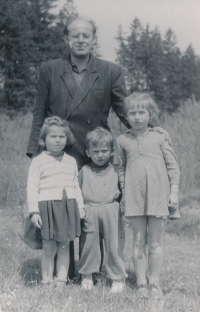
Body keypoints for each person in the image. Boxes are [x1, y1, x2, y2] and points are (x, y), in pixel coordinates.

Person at [26, 16, 129, 279]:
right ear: (66, 39)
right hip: (59, 152)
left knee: (91, 213)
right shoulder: (50, 69)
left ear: (94, 39)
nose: (81, 40)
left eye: (86, 35)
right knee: (61, 210)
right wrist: (35, 152)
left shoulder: (110, 71)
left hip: (96, 154)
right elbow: (39, 114)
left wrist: (148, 137)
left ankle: (91, 272)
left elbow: (125, 112)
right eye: (75, 35)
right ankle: (66, 272)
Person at [116, 93, 180, 299]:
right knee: (137, 241)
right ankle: (141, 283)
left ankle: (155, 283)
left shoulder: (161, 136)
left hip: (158, 196)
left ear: (150, 114)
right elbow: (121, 169)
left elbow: (173, 167)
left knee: (155, 242)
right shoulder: (122, 140)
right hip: (134, 197)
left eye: (141, 112)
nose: (137, 117)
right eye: (132, 113)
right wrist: (124, 193)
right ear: (126, 116)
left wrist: (174, 191)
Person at [27, 116, 85, 286]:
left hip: (68, 207)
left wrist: (80, 207)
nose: (58, 140)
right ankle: (46, 281)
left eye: (62, 136)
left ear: (67, 139)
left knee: (65, 246)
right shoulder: (38, 162)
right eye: (53, 136)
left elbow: (75, 186)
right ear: (44, 140)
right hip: (48, 209)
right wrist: (34, 211)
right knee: (49, 247)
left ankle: (61, 280)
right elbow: (31, 187)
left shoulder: (71, 161)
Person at [78, 127, 126, 293]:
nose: (100, 155)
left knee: (114, 245)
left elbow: (125, 190)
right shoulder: (84, 171)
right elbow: (76, 192)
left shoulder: (116, 169)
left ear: (112, 152)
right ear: (88, 152)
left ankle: (117, 277)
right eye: (95, 151)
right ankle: (87, 275)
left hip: (111, 210)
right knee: (89, 245)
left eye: (104, 151)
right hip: (89, 210)